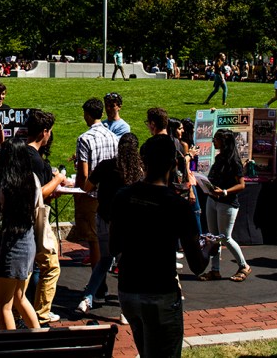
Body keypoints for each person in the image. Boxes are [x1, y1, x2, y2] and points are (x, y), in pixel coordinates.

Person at [110, 134, 215, 358]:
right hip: (160, 293)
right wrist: (209, 249)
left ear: (143, 161)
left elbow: (113, 247)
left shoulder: (123, 196)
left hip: (128, 292)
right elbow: (197, 266)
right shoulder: (177, 205)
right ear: (173, 163)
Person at [76, 132, 144, 315]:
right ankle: (125, 309)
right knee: (126, 266)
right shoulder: (139, 172)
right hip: (128, 223)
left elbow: (87, 187)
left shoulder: (106, 166)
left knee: (104, 260)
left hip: (104, 219)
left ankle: (88, 297)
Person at [0, 140, 41, 329]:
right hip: (28, 239)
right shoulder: (32, 178)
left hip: (12, 243)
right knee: (20, 297)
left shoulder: (4, 183)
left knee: (4, 306)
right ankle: (39, 338)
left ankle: (11, 347)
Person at [23, 110, 67, 325]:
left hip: (22, 218)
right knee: (51, 266)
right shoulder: (35, 160)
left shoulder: (21, 152)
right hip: (36, 218)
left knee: (29, 266)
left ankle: (25, 307)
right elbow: (40, 192)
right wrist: (58, 179)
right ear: (44, 132)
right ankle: (41, 311)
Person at [68, 98, 119, 279]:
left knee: (94, 240)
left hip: (91, 194)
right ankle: (104, 277)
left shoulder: (85, 138)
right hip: (110, 194)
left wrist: (79, 191)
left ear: (88, 115)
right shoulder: (113, 137)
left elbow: (83, 172)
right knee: (107, 237)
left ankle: (98, 282)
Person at [199, 130, 252, 282]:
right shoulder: (219, 158)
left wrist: (224, 192)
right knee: (213, 238)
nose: (213, 141)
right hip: (213, 200)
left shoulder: (234, 161)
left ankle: (244, 265)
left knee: (225, 238)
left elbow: (241, 185)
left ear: (224, 141)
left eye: (216, 139)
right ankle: (214, 270)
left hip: (227, 203)